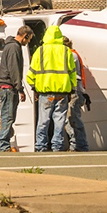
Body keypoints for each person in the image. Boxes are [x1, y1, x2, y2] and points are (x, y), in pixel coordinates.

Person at [26, 24, 77, 152]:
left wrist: (34, 87)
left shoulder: (40, 51)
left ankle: (41, 146)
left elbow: (30, 74)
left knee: (43, 121)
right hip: (62, 92)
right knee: (59, 120)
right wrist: (73, 89)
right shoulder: (66, 51)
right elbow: (72, 73)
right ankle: (57, 146)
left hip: (45, 92)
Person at [0, 25, 34, 152]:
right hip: (8, 87)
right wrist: (20, 88)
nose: (28, 43)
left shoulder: (10, 45)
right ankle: (4, 145)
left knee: (8, 116)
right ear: (25, 36)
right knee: (8, 116)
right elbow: (14, 69)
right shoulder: (14, 47)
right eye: (29, 39)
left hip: (7, 87)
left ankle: (4, 144)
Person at [62, 36, 89, 152]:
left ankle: (78, 145)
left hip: (74, 90)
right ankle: (78, 145)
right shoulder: (73, 54)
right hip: (77, 90)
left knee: (72, 118)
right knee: (72, 118)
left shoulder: (70, 55)